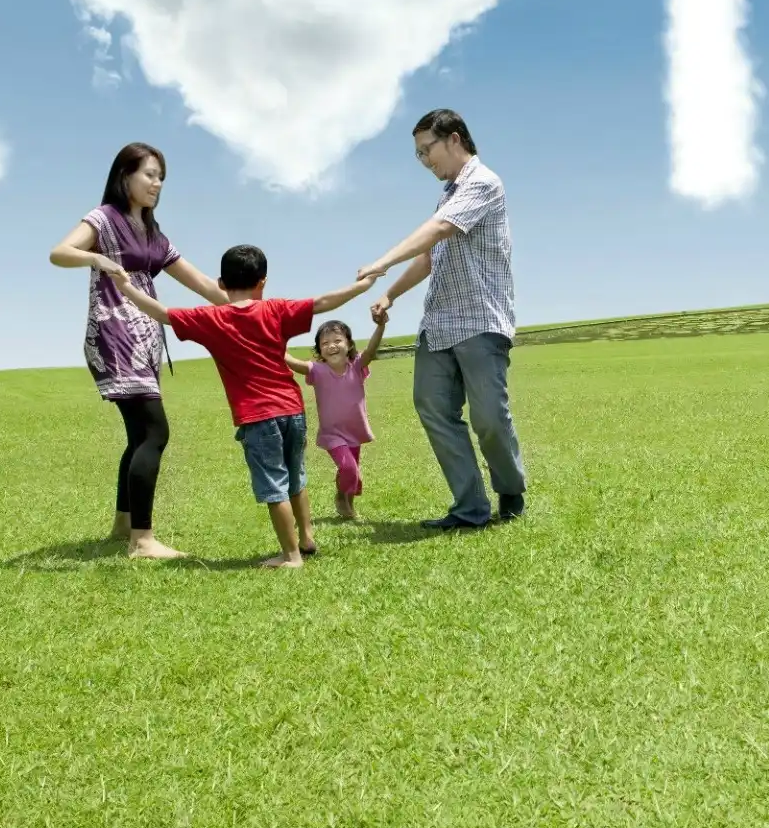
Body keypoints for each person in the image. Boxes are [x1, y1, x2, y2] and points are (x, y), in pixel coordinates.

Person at [110, 246, 378, 569]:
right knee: (296, 477)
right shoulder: (276, 310)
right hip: (293, 411)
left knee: (275, 486)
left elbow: (163, 314)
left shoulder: (211, 318)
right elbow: (322, 303)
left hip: (258, 417)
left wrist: (125, 286)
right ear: (262, 282)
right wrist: (363, 287)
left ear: (221, 283)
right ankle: (306, 538)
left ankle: (291, 556)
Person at [49, 142, 227, 559]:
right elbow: (59, 252)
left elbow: (201, 283)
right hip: (115, 337)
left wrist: (242, 305)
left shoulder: (153, 235)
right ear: (124, 176)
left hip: (145, 341)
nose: (157, 183)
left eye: (161, 176)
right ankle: (143, 541)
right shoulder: (104, 219)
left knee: (138, 436)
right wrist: (99, 261)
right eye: (149, 174)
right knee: (154, 432)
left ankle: (123, 526)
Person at [358, 108, 527, 530]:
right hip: (439, 324)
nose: (424, 161)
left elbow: (436, 231)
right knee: (433, 407)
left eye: (426, 150)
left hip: (480, 321)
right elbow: (430, 256)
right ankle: (470, 507)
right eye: (418, 155)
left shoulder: (484, 183)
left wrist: (381, 261)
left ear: (454, 139)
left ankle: (510, 488)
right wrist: (389, 292)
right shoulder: (448, 194)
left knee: (489, 417)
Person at [285, 317, 386, 521]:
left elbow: (371, 350)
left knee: (353, 473)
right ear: (319, 350)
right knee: (348, 468)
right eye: (325, 343)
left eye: (337, 341)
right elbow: (295, 364)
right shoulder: (318, 370)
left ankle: (349, 505)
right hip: (332, 434)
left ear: (348, 344)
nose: (332, 346)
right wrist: (275, 345)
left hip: (355, 431)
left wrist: (380, 325)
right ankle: (340, 497)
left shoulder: (357, 366)